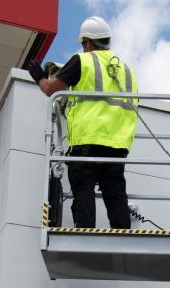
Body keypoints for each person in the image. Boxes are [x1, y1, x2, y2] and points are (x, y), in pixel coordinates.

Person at [28, 17, 138, 229]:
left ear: (88, 42)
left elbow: (50, 89)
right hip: (117, 145)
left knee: (83, 188)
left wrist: (39, 76)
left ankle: (85, 232)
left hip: (87, 141)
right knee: (115, 194)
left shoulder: (83, 61)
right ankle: (124, 234)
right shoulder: (127, 71)